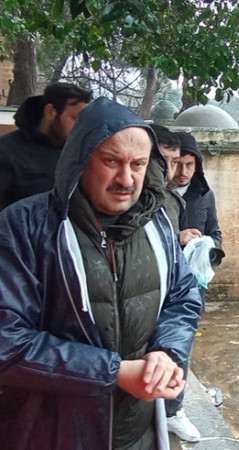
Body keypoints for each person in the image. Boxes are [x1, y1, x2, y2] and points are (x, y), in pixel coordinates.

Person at [0, 97, 203, 449]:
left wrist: (167, 351)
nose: (126, 179)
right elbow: (7, 341)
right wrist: (113, 372)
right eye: (111, 161)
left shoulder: (156, 224)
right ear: (81, 159)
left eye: (138, 164)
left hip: (138, 433)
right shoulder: (23, 227)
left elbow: (183, 294)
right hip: (53, 433)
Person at [167, 131, 224, 442]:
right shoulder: (158, 194)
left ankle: (174, 410)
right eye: (178, 164)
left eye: (190, 165)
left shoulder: (205, 195)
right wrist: (176, 238)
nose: (183, 172)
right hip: (159, 282)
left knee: (182, 346)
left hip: (192, 286)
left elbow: (216, 232)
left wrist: (209, 249)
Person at [0, 82, 93, 211]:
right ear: (51, 112)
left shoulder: (81, 153)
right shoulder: (6, 151)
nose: (81, 127)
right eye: (75, 119)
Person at [149, 123, 184, 232]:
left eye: (174, 162)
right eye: (161, 161)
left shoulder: (174, 201)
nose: (168, 172)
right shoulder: (123, 199)